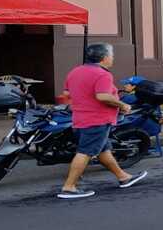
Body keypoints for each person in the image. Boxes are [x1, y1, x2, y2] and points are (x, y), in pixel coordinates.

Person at [57, 44, 146, 199]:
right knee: (85, 152)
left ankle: (123, 177)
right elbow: (103, 96)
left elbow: (66, 94)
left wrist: (82, 102)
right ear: (104, 58)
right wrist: (122, 104)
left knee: (103, 150)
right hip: (96, 120)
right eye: (111, 56)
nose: (112, 58)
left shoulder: (75, 71)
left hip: (80, 118)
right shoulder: (102, 74)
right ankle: (69, 187)